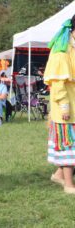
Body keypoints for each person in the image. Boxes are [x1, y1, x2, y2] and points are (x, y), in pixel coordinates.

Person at [44, 16, 75, 194]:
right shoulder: (61, 52)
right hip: (66, 106)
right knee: (68, 144)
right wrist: (64, 106)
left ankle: (59, 175)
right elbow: (58, 83)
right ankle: (69, 184)